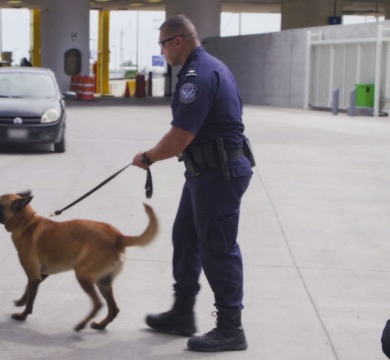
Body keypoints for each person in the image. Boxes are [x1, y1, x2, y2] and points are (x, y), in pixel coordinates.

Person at [131, 14, 255, 352]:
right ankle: (183, 312)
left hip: (219, 173)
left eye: (162, 44)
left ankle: (231, 327)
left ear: (178, 42)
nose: (162, 50)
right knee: (185, 237)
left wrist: (149, 156)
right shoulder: (210, 66)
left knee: (218, 247)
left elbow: (180, 137)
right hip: (206, 171)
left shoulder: (196, 77)